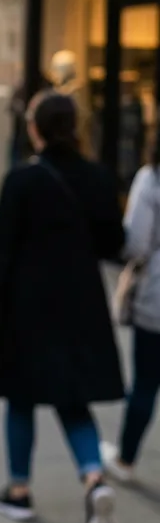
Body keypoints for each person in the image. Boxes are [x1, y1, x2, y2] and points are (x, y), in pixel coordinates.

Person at [0, 92, 124, 523]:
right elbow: (114, 242)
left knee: (21, 396)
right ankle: (94, 479)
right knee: (72, 399)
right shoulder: (97, 177)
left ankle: (19, 491)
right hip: (82, 302)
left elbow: (0, 252)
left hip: (27, 305)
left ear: (35, 128)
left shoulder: (22, 179)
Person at [101, 136, 160, 483]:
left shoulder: (151, 179)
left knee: (146, 382)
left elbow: (136, 243)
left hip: (156, 296)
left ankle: (125, 461)